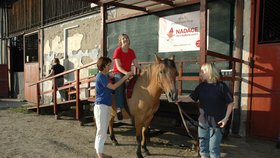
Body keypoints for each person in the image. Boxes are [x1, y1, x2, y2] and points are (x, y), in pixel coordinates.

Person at [177, 63, 234, 158]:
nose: (200, 73)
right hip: (203, 122)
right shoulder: (201, 87)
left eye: (202, 71)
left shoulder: (221, 86)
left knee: (213, 148)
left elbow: (230, 103)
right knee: (203, 146)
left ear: (209, 72)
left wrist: (225, 119)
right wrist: (180, 99)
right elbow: (191, 98)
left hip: (217, 122)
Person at [94, 56, 132, 158]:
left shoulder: (105, 76)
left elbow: (112, 78)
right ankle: (99, 154)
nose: (110, 66)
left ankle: (100, 152)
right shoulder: (101, 76)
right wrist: (124, 77)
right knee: (101, 131)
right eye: (108, 65)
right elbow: (114, 87)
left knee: (103, 130)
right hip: (100, 106)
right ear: (103, 66)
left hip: (105, 106)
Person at [112, 33, 141, 120]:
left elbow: (136, 64)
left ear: (129, 40)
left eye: (126, 38)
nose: (125, 39)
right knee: (120, 85)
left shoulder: (131, 51)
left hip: (127, 73)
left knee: (137, 83)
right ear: (120, 41)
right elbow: (118, 66)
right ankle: (118, 108)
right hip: (119, 72)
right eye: (123, 38)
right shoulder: (118, 51)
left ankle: (134, 105)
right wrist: (126, 73)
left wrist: (143, 69)